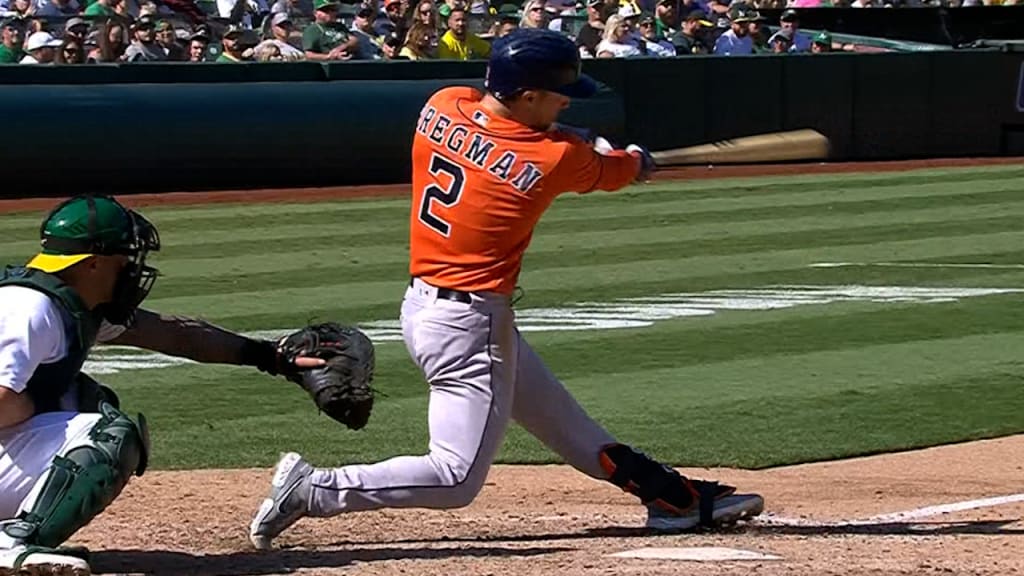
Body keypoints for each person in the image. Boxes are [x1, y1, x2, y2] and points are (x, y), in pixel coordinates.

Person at [248, 27, 764, 551]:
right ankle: (315, 488)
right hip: (470, 323)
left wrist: (584, 138)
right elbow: (609, 169)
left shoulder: (443, 104)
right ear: (527, 94)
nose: (565, 98)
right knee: (454, 476)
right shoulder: (554, 157)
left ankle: (670, 497)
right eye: (557, 92)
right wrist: (636, 161)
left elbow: (527, 130)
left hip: (425, 306)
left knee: (566, 425)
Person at [0, 195, 323, 575]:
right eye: (124, 260)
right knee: (109, 434)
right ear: (92, 265)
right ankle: (10, 544)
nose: (133, 272)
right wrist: (32, 406)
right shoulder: (28, 308)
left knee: (90, 400)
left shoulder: (77, 305)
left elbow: (176, 335)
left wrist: (272, 357)